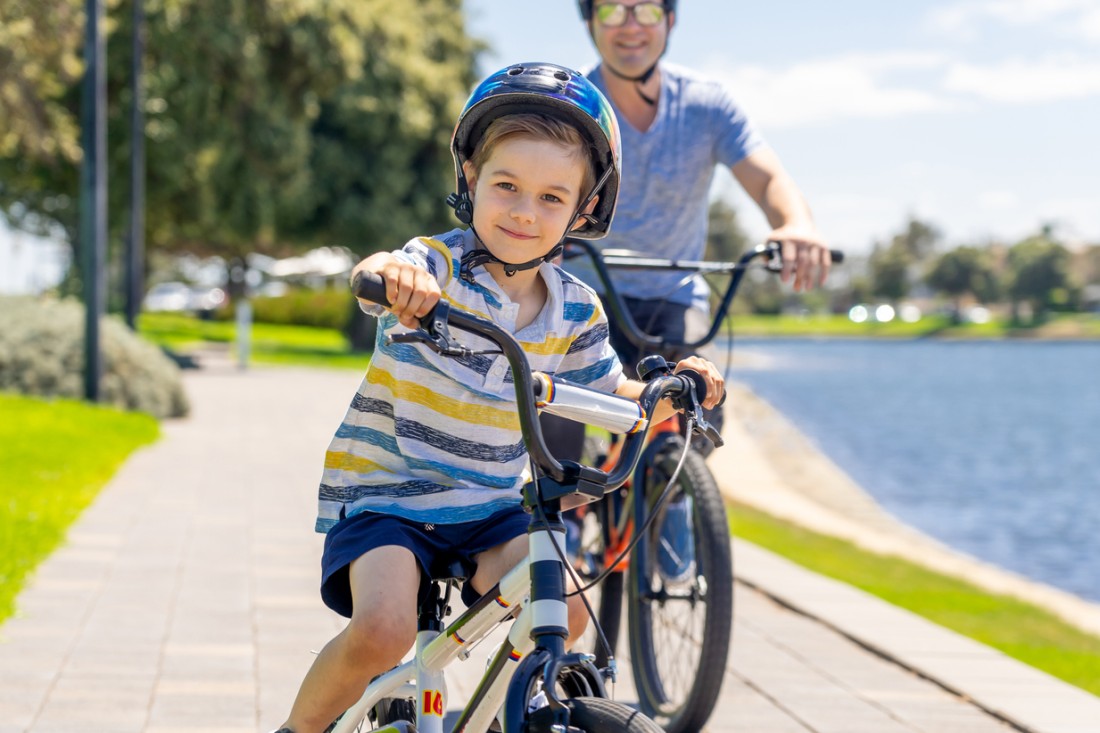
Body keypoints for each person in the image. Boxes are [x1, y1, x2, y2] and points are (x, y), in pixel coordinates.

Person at [273, 62, 726, 733]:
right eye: (507, 185)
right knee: (384, 632)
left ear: (583, 209)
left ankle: (496, 711)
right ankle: (298, 729)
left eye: (551, 197)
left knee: (567, 615)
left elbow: (612, 393)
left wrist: (672, 389)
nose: (523, 210)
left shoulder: (575, 308)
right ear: (471, 181)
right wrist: (390, 275)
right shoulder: (435, 267)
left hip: (488, 504)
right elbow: (374, 271)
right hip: (389, 495)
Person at [549, 0, 834, 578]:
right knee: (558, 410)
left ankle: (673, 489)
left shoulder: (706, 105)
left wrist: (794, 225)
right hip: (582, 289)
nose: (630, 24)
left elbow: (768, 176)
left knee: (695, 399)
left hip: (674, 296)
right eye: (611, 10)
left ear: (670, 21)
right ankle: (564, 518)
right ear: (590, 23)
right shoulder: (572, 103)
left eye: (647, 9)